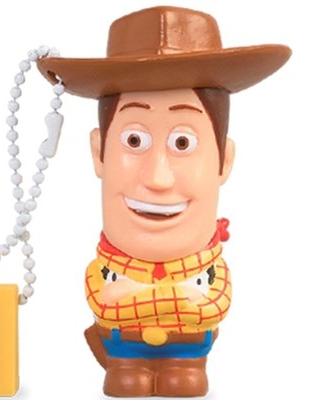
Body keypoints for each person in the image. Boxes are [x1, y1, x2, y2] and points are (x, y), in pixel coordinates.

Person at [38, 6, 291, 397]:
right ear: (99, 154)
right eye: (134, 141)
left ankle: (181, 367)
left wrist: (135, 297)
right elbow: (102, 301)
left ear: (223, 161)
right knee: (126, 381)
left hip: (188, 351)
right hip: (124, 349)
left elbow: (213, 305)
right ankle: (128, 368)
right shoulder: (104, 270)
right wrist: (179, 301)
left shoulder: (210, 272)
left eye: (183, 143)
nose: (158, 178)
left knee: (184, 380)